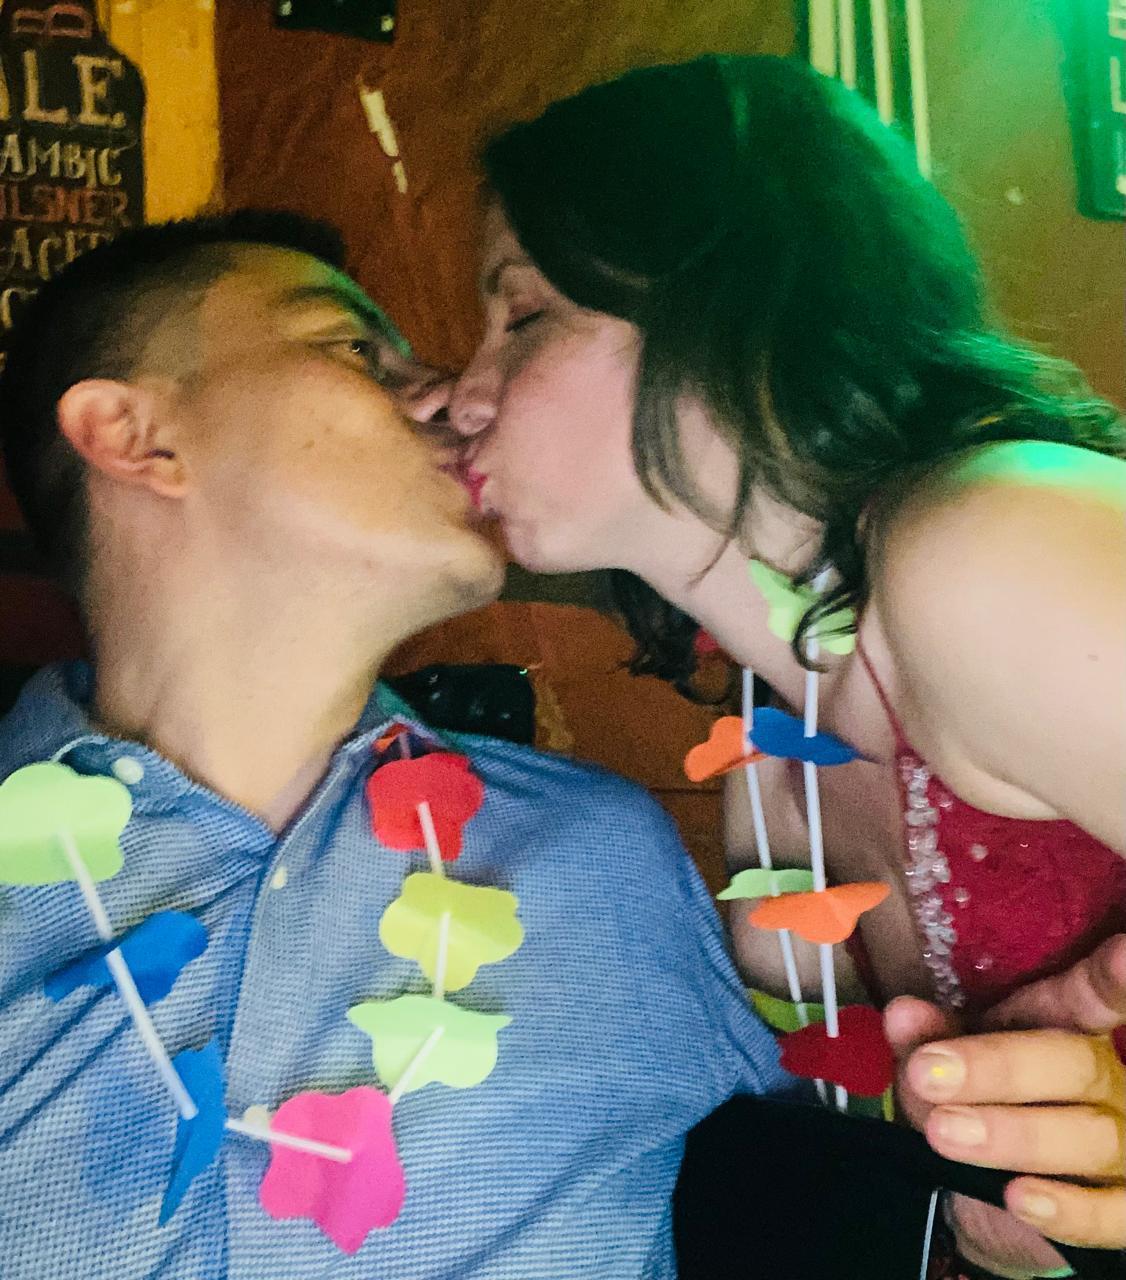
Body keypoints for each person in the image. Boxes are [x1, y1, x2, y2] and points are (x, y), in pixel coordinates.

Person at [0, 210, 793, 1279]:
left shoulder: (602, 860)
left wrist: (987, 1216)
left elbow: (839, 1191)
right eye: (354, 348)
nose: (459, 400)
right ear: (138, 436)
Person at [439, 55, 1126, 1278]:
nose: (461, 394)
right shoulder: (774, 752)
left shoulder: (985, 543)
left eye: (524, 315)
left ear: (736, 308)